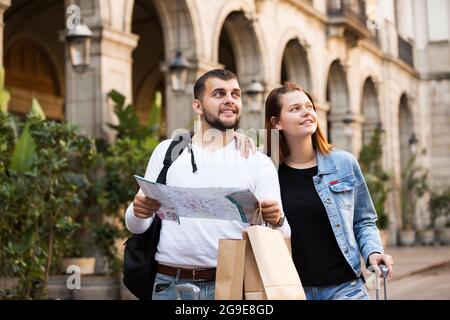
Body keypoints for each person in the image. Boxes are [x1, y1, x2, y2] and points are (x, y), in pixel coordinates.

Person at [125, 69, 290, 300]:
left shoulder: (258, 161)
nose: (230, 100)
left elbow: (282, 235)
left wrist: (277, 219)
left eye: (235, 94)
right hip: (170, 286)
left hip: (234, 286)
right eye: (219, 93)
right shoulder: (167, 152)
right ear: (198, 106)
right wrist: (138, 211)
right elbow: (136, 226)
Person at [263, 82, 393, 300]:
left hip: (345, 289)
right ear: (276, 123)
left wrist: (373, 252)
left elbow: (363, 220)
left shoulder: (343, 163)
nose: (307, 112)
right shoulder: (265, 171)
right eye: (295, 109)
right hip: (289, 291)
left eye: (309, 106)